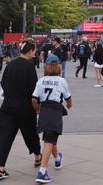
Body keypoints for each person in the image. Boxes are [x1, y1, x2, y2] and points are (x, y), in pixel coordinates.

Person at [0, 39, 42, 180]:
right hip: (25, 108)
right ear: (31, 51)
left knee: (4, 138)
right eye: (35, 50)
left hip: (7, 107)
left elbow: (3, 85)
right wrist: (37, 108)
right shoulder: (29, 66)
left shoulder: (10, 64)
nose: (35, 52)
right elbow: (34, 90)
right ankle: (38, 157)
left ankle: (0, 168)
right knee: (31, 134)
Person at [32, 54, 73, 184]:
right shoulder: (61, 81)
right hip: (55, 110)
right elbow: (68, 98)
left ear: (46, 66)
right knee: (49, 139)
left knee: (49, 136)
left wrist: (38, 110)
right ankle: (42, 172)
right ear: (58, 66)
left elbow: (34, 99)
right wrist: (69, 105)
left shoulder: (41, 80)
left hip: (44, 109)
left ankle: (57, 158)